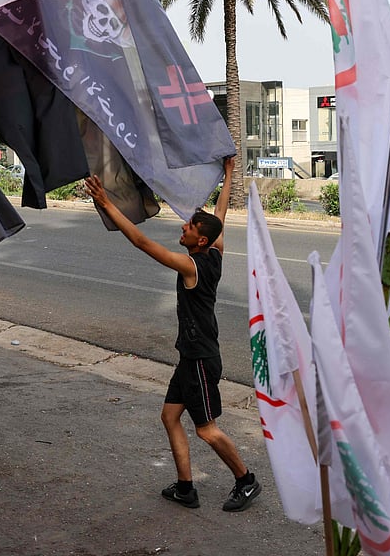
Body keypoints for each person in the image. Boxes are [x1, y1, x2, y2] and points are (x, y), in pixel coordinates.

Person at [84, 155, 261, 512]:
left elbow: (143, 243)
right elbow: (219, 219)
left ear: (199, 241)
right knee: (169, 416)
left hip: (200, 358)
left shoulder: (191, 265)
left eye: (189, 227)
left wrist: (105, 203)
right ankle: (185, 488)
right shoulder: (214, 251)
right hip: (192, 356)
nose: (184, 228)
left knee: (206, 429)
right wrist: (228, 175)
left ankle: (246, 480)